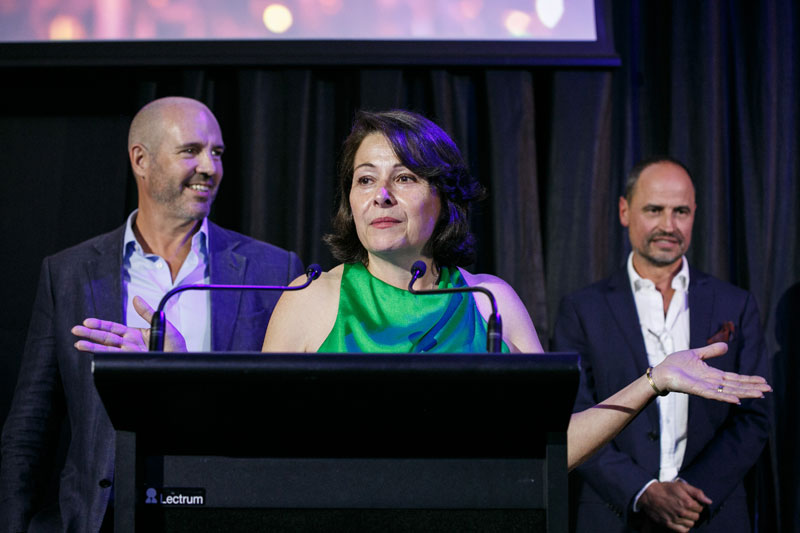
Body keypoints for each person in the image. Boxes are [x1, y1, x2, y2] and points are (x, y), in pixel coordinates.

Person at [262, 111, 770, 473]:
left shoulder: (490, 301)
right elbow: (262, 456)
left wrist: (653, 381)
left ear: (444, 196)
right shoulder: (310, 298)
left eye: (406, 177)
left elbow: (554, 446)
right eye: (365, 180)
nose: (381, 195)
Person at [0, 97, 304, 532]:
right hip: (102, 519)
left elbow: (285, 416)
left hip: (225, 513)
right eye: (191, 151)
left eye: (217, 153)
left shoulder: (272, 269)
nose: (210, 167)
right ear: (140, 160)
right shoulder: (69, 273)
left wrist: (184, 370)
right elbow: (30, 426)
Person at [552, 157, 770, 532]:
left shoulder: (735, 304)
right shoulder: (581, 309)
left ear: (694, 214)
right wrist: (643, 490)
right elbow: (573, 414)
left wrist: (692, 492)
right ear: (624, 211)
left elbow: (754, 415)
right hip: (615, 513)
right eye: (654, 210)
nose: (668, 225)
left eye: (680, 211)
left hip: (709, 514)